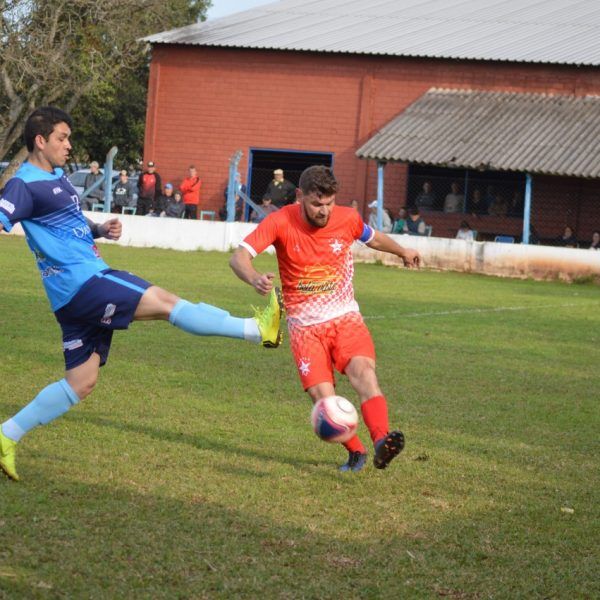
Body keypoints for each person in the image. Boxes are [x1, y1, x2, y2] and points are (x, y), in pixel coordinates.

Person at [0, 106, 284, 482]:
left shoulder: (58, 179)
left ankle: (6, 436)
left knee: (81, 382)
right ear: (40, 141)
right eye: (62, 138)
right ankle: (256, 328)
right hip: (85, 283)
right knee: (167, 304)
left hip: (69, 298)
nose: (68, 146)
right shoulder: (23, 184)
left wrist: (99, 228)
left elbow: (67, 219)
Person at [230, 165, 420, 473]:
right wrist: (253, 279)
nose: (324, 211)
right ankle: (356, 452)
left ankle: (382, 441)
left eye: (330, 203)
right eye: (317, 204)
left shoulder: (347, 218)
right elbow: (238, 257)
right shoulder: (280, 222)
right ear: (300, 196)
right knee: (325, 402)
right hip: (305, 329)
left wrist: (402, 251)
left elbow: (372, 239)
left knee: (364, 374)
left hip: (345, 317)